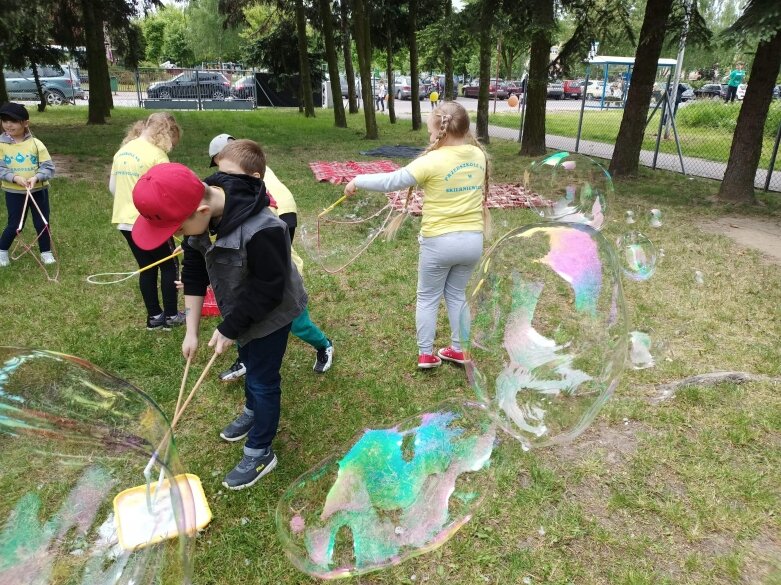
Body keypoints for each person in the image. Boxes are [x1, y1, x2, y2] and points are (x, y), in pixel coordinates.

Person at [132, 160, 308, 490]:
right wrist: (192, 330)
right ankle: (253, 409)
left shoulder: (263, 229)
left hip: (271, 313)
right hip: (239, 308)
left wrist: (229, 328)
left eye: (178, 229)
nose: (178, 236)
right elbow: (195, 272)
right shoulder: (200, 219)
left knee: (263, 377)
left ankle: (260, 451)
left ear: (200, 210)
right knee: (251, 362)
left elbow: (269, 289)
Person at [344, 101, 490, 369]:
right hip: (472, 242)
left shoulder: (430, 161)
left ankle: (426, 354)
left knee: (428, 297)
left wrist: (358, 180)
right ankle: (458, 349)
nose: (428, 135)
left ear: (440, 131)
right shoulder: (478, 155)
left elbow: (392, 180)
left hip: (439, 243)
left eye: (430, 130)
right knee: (457, 295)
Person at [207, 134, 334, 382]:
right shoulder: (235, 182)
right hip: (255, 266)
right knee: (251, 314)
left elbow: (270, 264)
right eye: (218, 171)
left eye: (227, 174)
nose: (221, 181)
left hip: (282, 243)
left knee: (294, 321)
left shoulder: (261, 209)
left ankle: (323, 344)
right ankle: (247, 358)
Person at [110, 112, 185, 330]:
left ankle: (154, 317)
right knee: (169, 265)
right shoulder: (157, 155)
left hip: (125, 221)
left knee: (146, 266)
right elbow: (165, 192)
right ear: (167, 133)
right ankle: (171, 316)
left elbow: (113, 188)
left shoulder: (122, 152)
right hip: (151, 222)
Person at [0, 102, 56, 267]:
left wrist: (37, 177)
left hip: (38, 190)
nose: (8, 124)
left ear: (25, 123)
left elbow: (48, 167)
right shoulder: (1, 145)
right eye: (4, 120)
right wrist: (14, 177)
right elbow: (1, 168)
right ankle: (2, 251)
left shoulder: (36, 144)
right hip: (14, 193)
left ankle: (46, 252)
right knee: (16, 224)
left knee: (42, 222)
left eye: (13, 121)